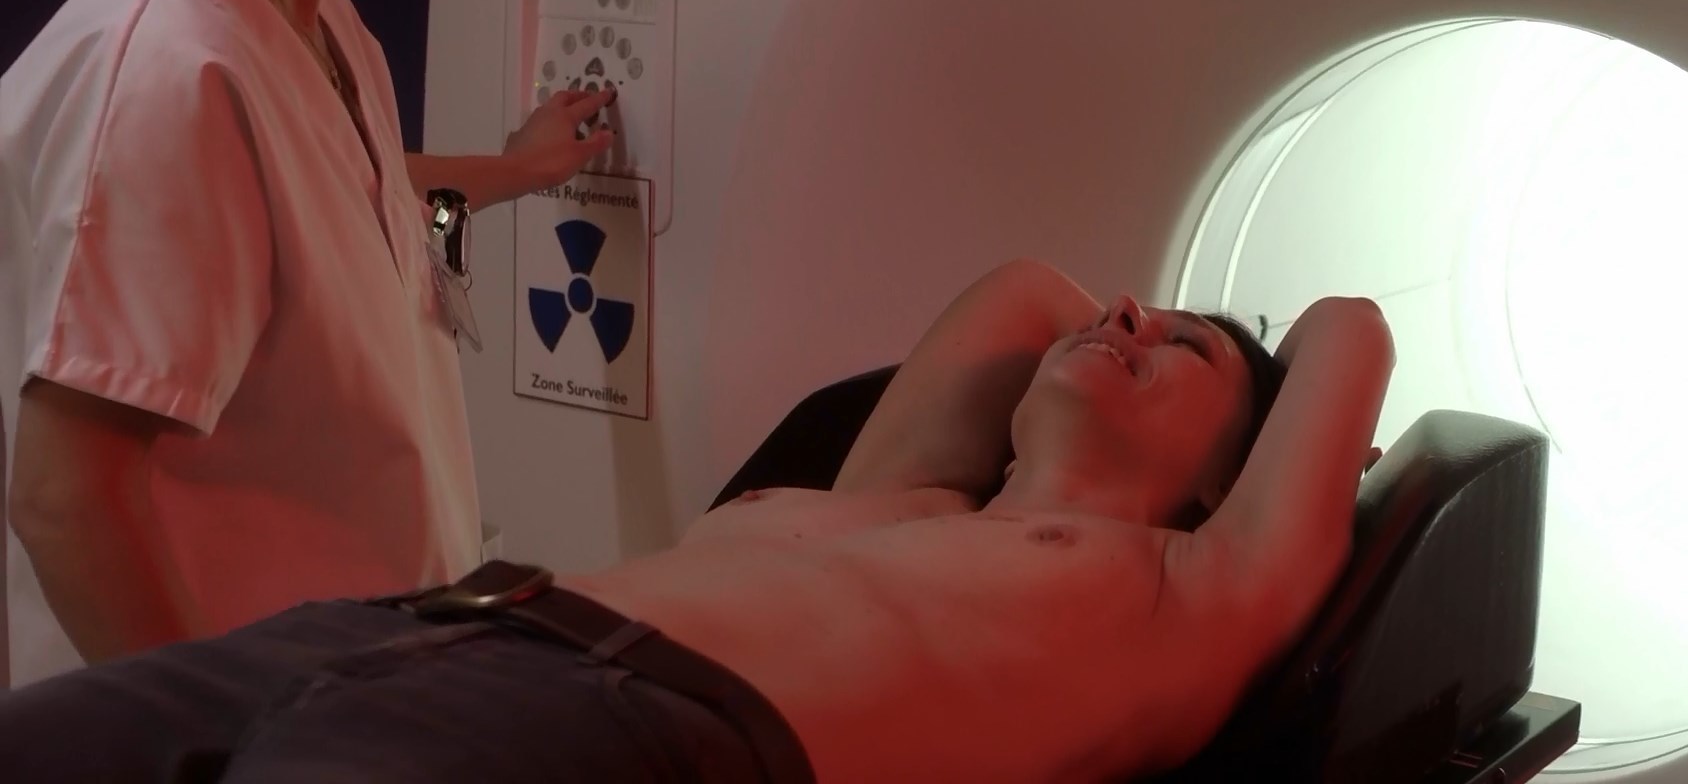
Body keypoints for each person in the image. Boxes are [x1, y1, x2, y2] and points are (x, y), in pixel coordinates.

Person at [0, 259, 1396, 783]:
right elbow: (1027, 288)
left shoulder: (1187, 589)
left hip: (592, 733)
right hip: (404, 629)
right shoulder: (894, 500)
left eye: (1181, 348)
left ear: (1227, 478)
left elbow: (1349, 325)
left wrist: (1255, 417)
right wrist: (1132, 353)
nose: (1128, 314)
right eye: (1133, 311)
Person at [0, 0, 610, 686]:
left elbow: (330, 193)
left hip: (349, 699)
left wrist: (515, 171)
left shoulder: (322, 24)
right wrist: (230, 743)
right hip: (234, 724)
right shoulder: (169, 72)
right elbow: (65, 500)